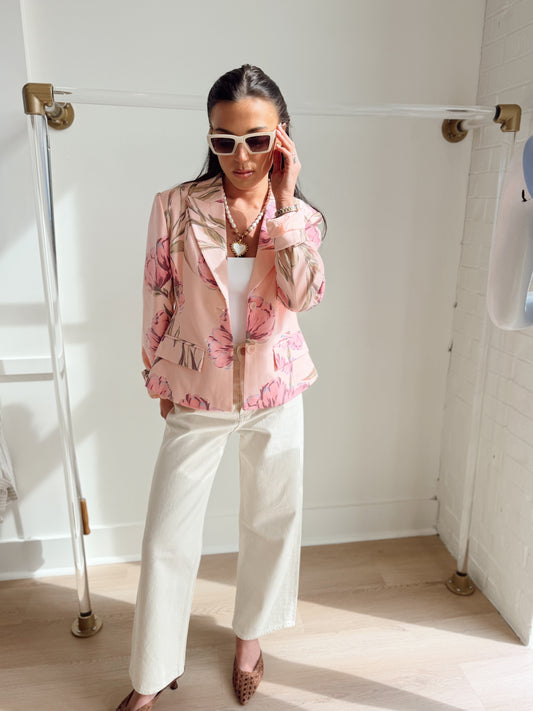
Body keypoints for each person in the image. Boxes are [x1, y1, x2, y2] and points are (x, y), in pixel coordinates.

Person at [116, 64, 326, 711]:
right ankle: (151, 674)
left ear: (282, 137)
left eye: (257, 140)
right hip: (197, 391)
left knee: (270, 521)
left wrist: (283, 208)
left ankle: (249, 640)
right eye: (225, 140)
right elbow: (157, 291)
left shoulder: (302, 217)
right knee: (166, 537)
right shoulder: (175, 206)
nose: (241, 156)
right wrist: (156, 372)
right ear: (209, 138)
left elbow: (302, 296)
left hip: (276, 390)